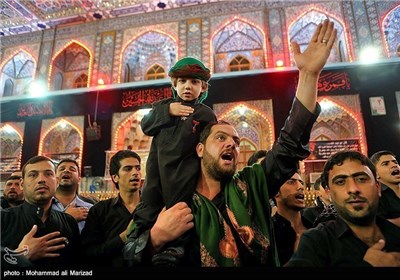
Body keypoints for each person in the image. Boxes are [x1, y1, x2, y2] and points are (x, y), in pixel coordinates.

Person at [123, 19, 337, 267]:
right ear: (200, 148)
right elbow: (126, 256)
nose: (232, 145)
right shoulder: (169, 202)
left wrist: (309, 76)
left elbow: (289, 146)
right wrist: (155, 239)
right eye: (220, 137)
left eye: (236, 141)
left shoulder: (249, 187)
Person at [131, 56, 217, 264]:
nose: (188, 86)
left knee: (182, 210)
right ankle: (145, 244)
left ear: (203, 87)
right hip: (158, 172)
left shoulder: (205, 114)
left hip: (185, 173)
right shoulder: (163, 106)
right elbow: (146, 125)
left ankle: (175, 248)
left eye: (194, 82)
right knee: (151, 205)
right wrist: (168, 111)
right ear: (174, 84)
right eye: (182, 81)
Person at [286, 151, 400, 267]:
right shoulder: (317, 242)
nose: (353, 189)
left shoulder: (395, 232)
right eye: (340, 182)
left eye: (361, 179)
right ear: (329, 193)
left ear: (378, 187)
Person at [1, 155, 81, 267]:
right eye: (33, 175)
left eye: (48, 174)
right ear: (22, 184)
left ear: (57, 182)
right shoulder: (3, 219)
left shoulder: (69, 222)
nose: (41, 179)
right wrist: (19, 256)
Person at [81, 150, 142, 266]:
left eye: (138, 168)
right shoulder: (99, 211)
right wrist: (123, 237)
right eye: (128, 169)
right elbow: (89, 253)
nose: (135, 173)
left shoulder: (152, 207)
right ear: (115, 177)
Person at [272, 171, 312, 265]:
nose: (300, 187)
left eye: (301, 182)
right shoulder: (270, 233)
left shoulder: (314, 228)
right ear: (276, 192)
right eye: (291, 182)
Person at [52, 159, 94, 233]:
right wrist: (67, 218)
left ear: (79, 179)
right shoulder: (43, 205)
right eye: (62, 169)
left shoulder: (90, 208)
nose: (66, 171)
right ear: (55, 177)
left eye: (72, 169)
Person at [370, 150, 400, 227]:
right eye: (386, 164)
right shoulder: (376, 197)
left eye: (395, 162)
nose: (394, 165)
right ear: (375, 174)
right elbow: (377, 225)